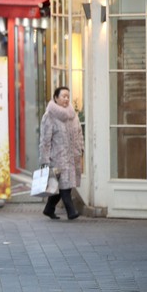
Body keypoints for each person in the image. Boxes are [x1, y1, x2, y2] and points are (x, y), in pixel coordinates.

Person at [39, 86, 84, 220]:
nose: (66, 99)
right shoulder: (49, 116)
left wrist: (80, 149)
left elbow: (79, 133)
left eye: (67, 96)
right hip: (57, 157)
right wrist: (44, 160)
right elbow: (45, 140)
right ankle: (71, 211)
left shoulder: (73, 115)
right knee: (65, 185)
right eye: (63, 96)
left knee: (63, 184)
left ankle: (49, 208)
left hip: (72, 156)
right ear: (56, 98)